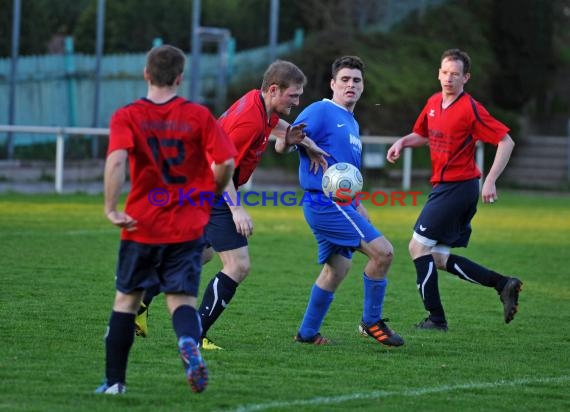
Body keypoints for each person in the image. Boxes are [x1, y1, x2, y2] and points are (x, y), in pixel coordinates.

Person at [135, 59, 328, 349]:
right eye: (294, 95)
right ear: (274, 90)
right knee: (237, 265)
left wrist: (305, 143)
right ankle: (195, 335)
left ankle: (139, 301)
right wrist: (236, 208)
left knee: (200, 255)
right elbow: (218, 165)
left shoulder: (260, 104)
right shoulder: (250, 120)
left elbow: (277, 126)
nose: (298, 101)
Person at [95, 44, 237, 394]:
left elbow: (115, 161)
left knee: (126, 301)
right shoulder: (199, 115)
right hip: (187, 226)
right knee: (181, 301)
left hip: (142, 224)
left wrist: (112, 207)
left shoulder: (127, 115)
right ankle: (188, 342)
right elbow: (226, 163)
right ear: (179, 77)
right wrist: (210, 195)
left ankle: (114, 384)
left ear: (146, 74)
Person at [386, 48, 522, 331]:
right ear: (439, 73)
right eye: (445, 73)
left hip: (458, 188)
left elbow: (506, 142)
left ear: (466, 78)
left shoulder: (471, 109)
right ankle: (503, 283)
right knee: (436, 257)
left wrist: (491, 179)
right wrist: (402, 142)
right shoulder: (434, 102)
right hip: (447, 187)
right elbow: (422, 135)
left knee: (417, 247)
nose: (449, 78)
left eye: (455, 74)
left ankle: (436, 319)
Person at [293, 55, 404, 347]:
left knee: (337, 269)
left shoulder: (351, 122)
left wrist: (356, 203)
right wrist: (307, 144)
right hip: (325, 203)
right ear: (332, 83)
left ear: (363, 86)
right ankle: (371, 322)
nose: (350, 85)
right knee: (383, 253)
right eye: (344, 79)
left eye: (356, 80)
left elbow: (345, 171)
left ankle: (306, 333)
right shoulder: (321, 110)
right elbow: (285, 137)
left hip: (342, 203)